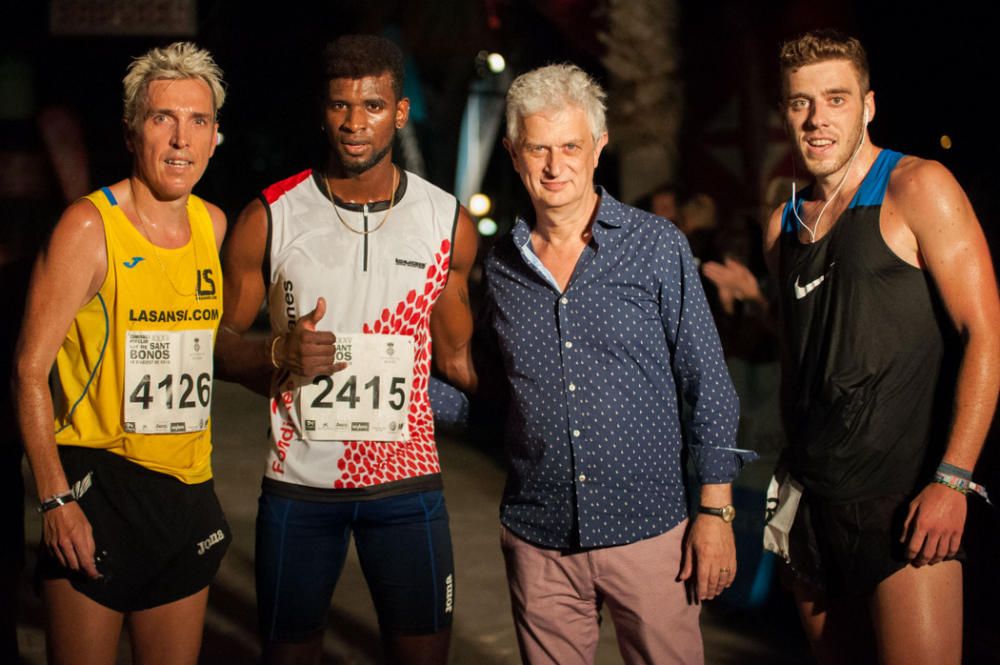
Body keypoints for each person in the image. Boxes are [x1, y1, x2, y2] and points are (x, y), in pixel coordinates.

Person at [475, 63, 754, 665]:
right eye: (538, 148)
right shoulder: (499, 267)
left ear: (599, 147)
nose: (555, 166)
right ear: (513, 153)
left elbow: (708, 382)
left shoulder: (656, 245)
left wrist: (715, 510)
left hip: (651, 536)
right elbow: (489, 390)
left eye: (571, 145)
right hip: (539, 537)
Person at [214, 34, 477, 665]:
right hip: (300, 485)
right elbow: (214, 346)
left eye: (372, 106)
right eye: (340, 107)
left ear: (401, 111)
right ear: (322, 109)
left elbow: (459, 359)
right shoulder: (271, 215)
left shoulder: (447, 222)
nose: (355, 125)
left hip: (407, 483)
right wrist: (277, 352)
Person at [764, 30, 1000, 665]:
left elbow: (984, 332)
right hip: (811, 503)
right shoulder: (783, 223)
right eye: (800, 103)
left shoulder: (916, 186)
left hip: (902, 502)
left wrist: (955, 478)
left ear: (868, 105)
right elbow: (802, 361)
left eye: (835, 99)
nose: (816, 119)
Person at [13, 42, 229, 665]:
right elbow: (28, 370)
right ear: (133, 131)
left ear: (217, 137)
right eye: (163, 118)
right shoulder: (88, 226)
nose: (181, 138)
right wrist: (55, 500)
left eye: (198, 121)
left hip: (188, 490)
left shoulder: (212, 226)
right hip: (98, 487)